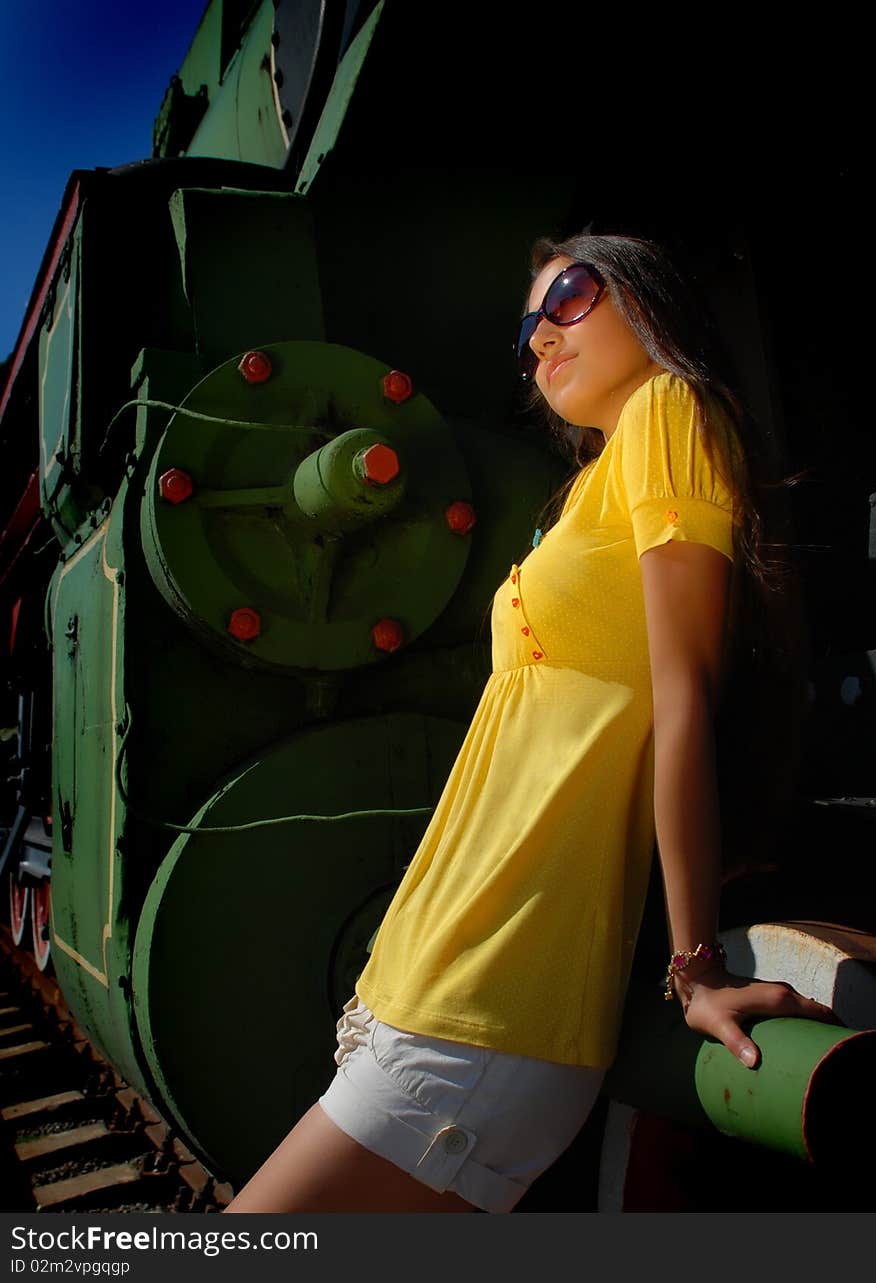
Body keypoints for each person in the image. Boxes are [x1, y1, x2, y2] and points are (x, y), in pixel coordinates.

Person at [223, 231, 835, 1215]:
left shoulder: (667, 411)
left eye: (569, 297)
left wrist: (693, 971)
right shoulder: (584, 488)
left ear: (648, 298)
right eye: (524, 331)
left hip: (495, 997)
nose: (539, 337)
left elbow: (680, 696)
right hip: (420, 981)